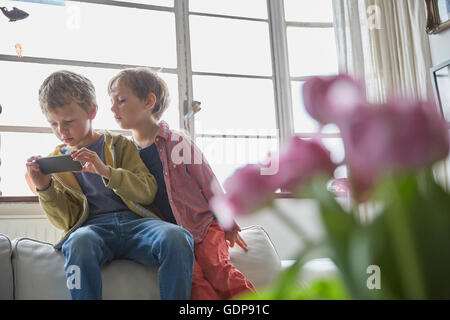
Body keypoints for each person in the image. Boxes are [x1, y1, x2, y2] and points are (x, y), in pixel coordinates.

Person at [26, 70, 194, 300]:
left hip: (137, 224)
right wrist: (44, 189)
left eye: (68, 121)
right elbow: (65, 221)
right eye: (53, 124)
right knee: (78, 244)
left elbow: (147, 190)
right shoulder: (56, 164)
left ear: (92, 112)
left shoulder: (119, 145)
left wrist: (106, 172)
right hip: (92, 229)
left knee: (177, 237)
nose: (61, 130)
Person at [108, 67, 256, 299]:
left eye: (121, 100)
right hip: (175, 235)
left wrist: (229, 224)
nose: (113, 108)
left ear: (148, 101)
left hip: (204, 225)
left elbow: (210, 183)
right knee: (193, 281)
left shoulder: (177, 142)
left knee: (218, 270)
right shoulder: (128, 154)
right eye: (112, 102)